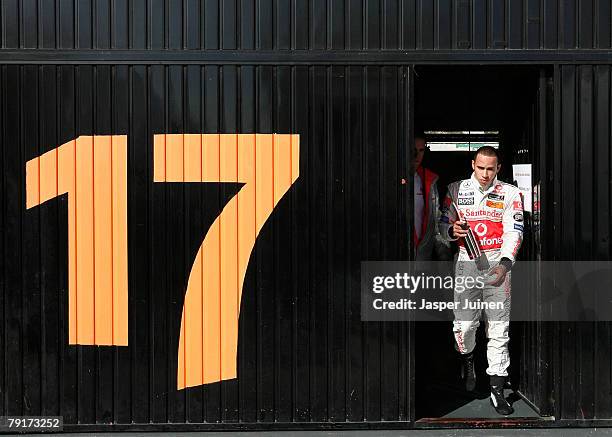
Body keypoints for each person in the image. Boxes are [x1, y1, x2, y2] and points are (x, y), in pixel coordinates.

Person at [439, 146, 524, 416]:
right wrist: (452, 229)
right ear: (472, 164)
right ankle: (467, 361)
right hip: (466, 263)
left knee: (499, 330)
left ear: (499, 168)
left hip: (498, 266)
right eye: (481, 168)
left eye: (491, 169)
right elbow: (441, 224)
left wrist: (506, 262)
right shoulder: (455, 189)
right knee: (464, 326)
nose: (485, 174)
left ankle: (497, 389)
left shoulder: (510, 193)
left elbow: (515, 229)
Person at [412, 135, 451, 261]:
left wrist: (445, 259)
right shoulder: (387, 177)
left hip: (422, 260)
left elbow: (436, 223)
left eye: (421, 150)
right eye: (413, 150)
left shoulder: (429, 180)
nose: (417, 155)